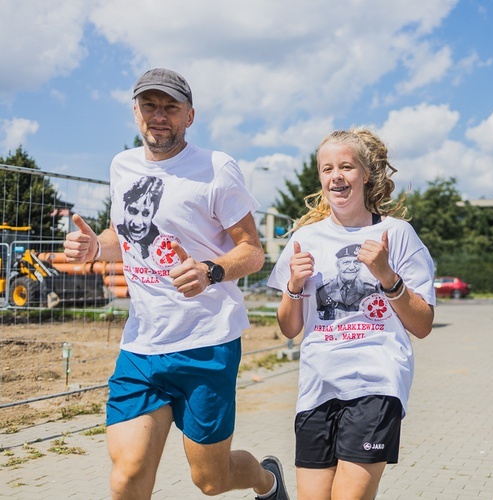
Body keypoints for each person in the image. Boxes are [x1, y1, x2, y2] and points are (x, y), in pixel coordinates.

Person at [63, 68, 288, 500]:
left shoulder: (216, 168)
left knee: (210, 480)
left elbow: (253, 250)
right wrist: (95, 247)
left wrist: (211, 270)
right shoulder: (122, 165)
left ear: (190, 115)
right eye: (150, 105)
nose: (159, 115)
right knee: (127, 473)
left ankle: (267, 480)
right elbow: (125, 236)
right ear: (135, 113)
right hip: (142, 347)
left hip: (207, 342)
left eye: (170, 106)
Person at [267, 127, 435, 499]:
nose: (336, 177)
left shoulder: (397, 234)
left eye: (346, 167)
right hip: (317, 387)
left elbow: (422, 324)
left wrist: (387, 276)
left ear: (366, 174)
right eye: (327, 169)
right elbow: (288, 328)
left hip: (376, 382)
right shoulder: (304, 239)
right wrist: (294, 285)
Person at [316, 243, 378, 319]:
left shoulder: (371, 289)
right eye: (346, 262)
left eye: (356, 262)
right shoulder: (323, 290)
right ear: (338, 266)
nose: (352, 267)